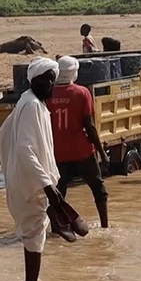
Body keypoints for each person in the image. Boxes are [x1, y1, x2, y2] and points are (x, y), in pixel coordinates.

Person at [0, 57, 62, 281]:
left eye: (52, 81)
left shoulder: (31, 102)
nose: (50, 85)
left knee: (32, 237)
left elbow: (4, 134)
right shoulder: (32, 105)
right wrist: (46, 184)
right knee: (34, 239)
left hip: (26, 180)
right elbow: (26, 149)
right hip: (31, 185)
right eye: (46, 80)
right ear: (34, 80)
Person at [47, 56, 109, 229]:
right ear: (74, 72)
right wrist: (102, 153)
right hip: (82, 151)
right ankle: (105, 226)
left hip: (58, 152)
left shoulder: (48, 93)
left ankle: (57, 229)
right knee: (98, 189)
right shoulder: (82, 93)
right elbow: (89, 127)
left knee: (58, 193)